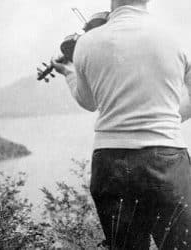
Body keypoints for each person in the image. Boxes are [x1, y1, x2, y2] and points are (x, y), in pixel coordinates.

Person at [52, 0, 191, 249]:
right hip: (167, 159)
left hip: (111, 162)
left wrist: (69, 73)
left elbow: (88, 102)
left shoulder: (86, 42)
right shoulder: (174, 36)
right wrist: (168, 119)